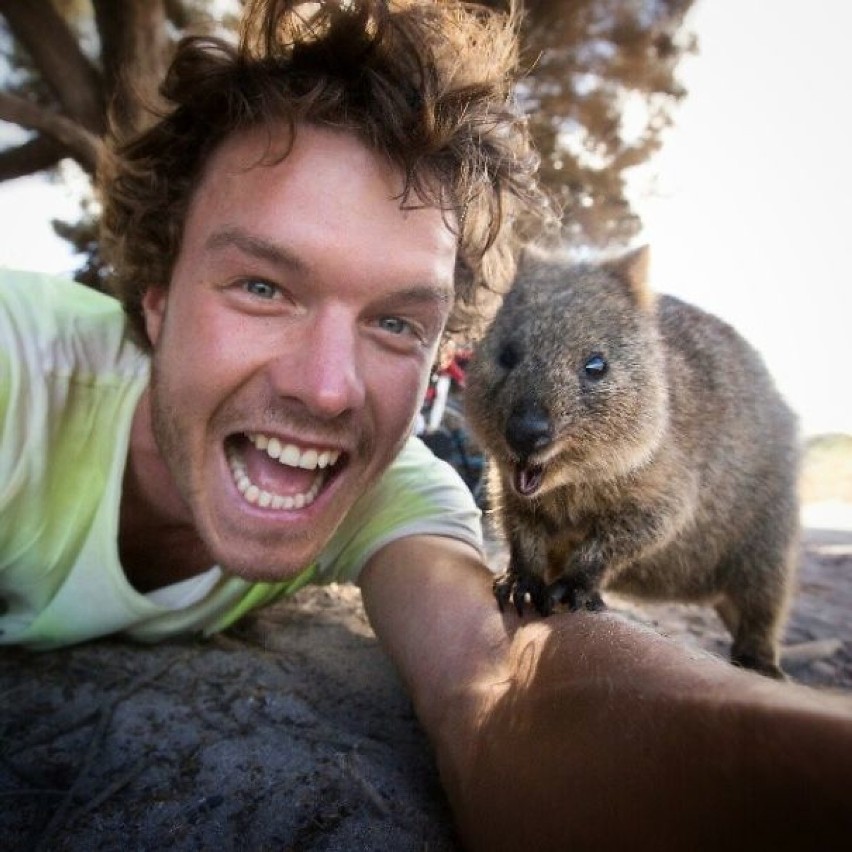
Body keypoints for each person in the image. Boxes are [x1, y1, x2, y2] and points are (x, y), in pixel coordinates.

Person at [1, 1, 850, 849]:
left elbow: (490, 693)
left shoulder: (379, 487)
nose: (328, 391)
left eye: (398, 322)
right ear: (155, 302)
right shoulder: (20, 376)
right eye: (262, 286)